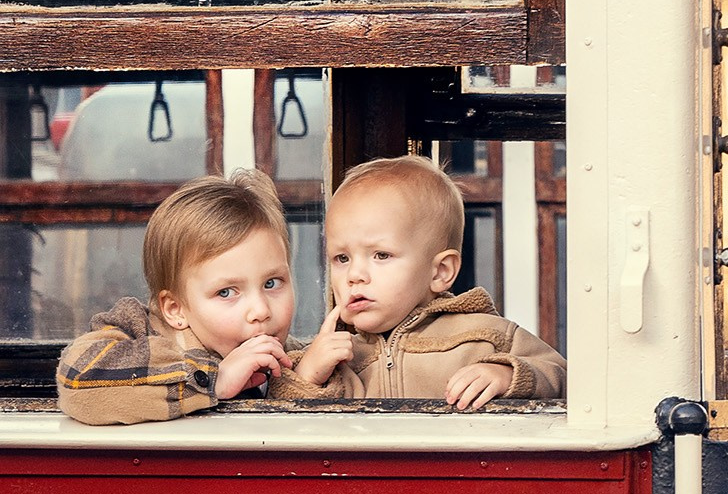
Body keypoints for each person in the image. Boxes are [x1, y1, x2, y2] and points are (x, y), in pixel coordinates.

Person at [56, 169, 345, 424]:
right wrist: (213, 382)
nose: (260, 310)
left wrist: (304, 378)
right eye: (227, 292)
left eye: (272, 283)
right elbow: (76, 377)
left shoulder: (285, 353)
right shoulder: (141, 330)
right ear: (175, 309)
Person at [302, 154, 565, 406]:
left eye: (381, 255)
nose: (354, 275)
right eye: (342, 258)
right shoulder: (337, 358)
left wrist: (507, 375)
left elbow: (563, 379)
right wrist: (307, 377)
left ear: (440, 272)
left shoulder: (486, 336)